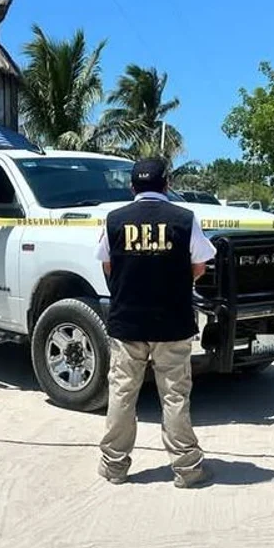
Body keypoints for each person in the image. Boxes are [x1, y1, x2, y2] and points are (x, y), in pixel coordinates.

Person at [94, 157, 217, 488]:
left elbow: (107, 265)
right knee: (175, 396)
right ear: (167, 184)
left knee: (122, 394)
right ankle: (187, 469)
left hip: (127, 322)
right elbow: (200, 266)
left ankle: (114, 467)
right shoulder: (185, 218)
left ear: (132, 187)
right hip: (172, 322)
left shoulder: (114, 220)